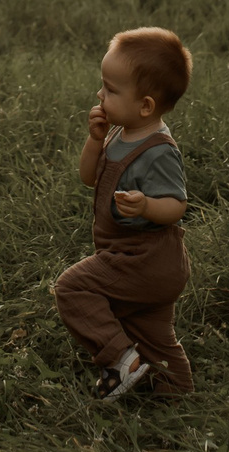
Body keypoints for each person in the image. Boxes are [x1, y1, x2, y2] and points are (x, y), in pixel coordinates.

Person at [54, 27, 194, 398]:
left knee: (72, 287)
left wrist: (148, 205)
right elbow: (88, 177)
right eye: (103, 85)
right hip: (137, 261)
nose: (100, 95)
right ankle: (175, 389)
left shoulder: (158, 150)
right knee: (149, 332)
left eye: (111, 90)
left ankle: (120, 360)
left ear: (145, 105)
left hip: (146, 259)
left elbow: (177, 206)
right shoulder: (119, 132)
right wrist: (95, 140)